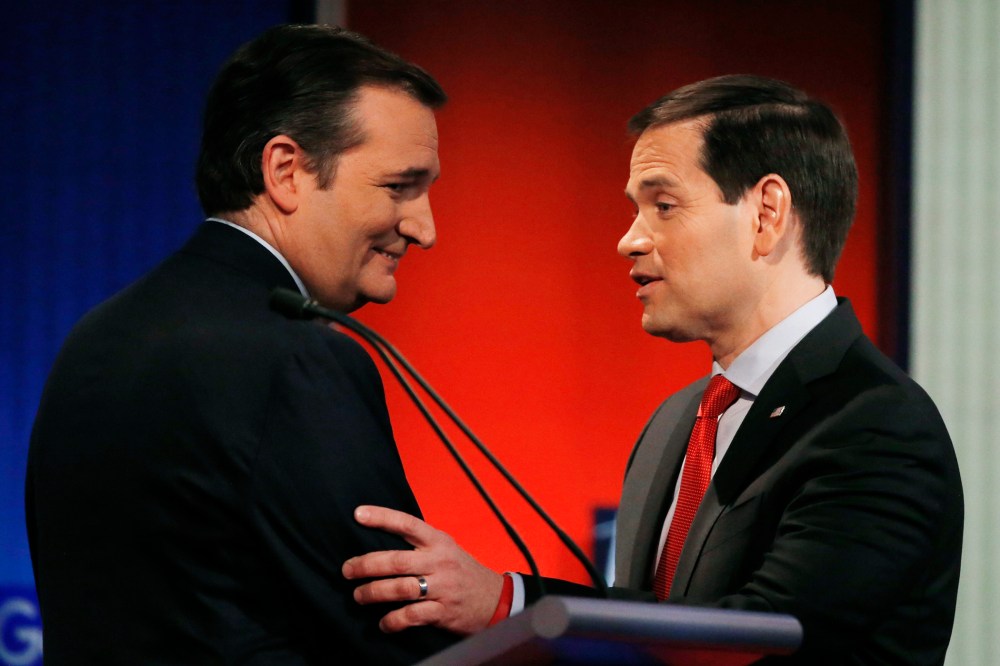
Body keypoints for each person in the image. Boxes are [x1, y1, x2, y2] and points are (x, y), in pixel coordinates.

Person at [340, 75, 964, 664]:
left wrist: (505, 605)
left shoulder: (875, 425)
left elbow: (754, 643)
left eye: (663, 205)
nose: (629, 240)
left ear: (767, 213)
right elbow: (655, 618)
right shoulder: (678, 420)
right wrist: (501, 598)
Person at [25, 24, 460, 664]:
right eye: (399, 186)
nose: (423, 228)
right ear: (285, 171)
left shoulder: (97, 337)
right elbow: (398, 634)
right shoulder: (297, 358)